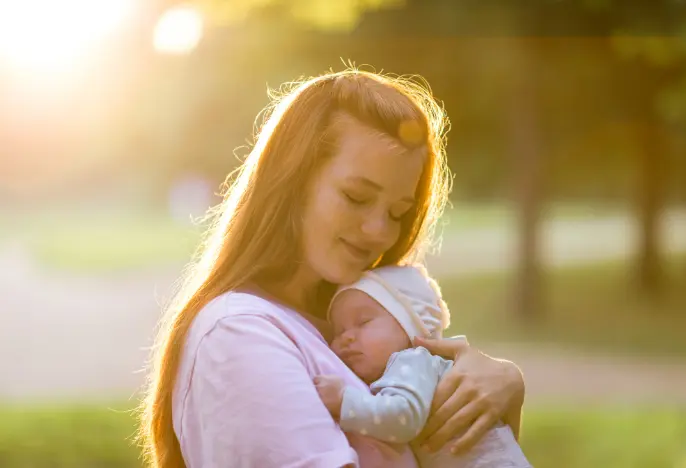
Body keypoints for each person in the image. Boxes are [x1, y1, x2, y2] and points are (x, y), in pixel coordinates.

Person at [139, 69, 526, 468]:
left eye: (397, 213)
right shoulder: (239, 334)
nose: (379, 232)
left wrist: (502, 383)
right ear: (292, 180)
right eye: (356, 197)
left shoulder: (358, 327)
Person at [314, 264, 532, 468]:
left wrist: (344, 401)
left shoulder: (412, 360)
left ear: (413, 328)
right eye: (338, 331)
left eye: (363, 322)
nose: (347, 338)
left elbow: (403, 418)